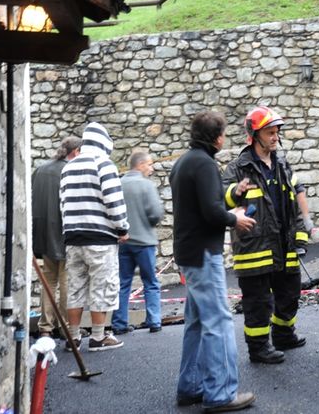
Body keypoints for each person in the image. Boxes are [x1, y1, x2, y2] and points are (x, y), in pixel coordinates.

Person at [170, 110, 256, 412]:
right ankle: (220, 394)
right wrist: (237, 218)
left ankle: (190, 386)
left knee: (196, 323)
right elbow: (211, 212)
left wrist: (232, 195)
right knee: (218, 322)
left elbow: (206, 200)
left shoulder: (183, 162)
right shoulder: (205, 164)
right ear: (217, 137)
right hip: (204, 254)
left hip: (187, 253)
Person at [223, 106, 310, 364]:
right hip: (255, 247)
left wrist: (301, 237)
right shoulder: (238, 168)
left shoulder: (282, 164)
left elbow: (295, 202)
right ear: (254, 134)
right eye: (269, 132)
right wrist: (236, 193)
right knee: (258, 302)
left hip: (284, 245)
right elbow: (222, 201)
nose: (275, 137)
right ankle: (259, 348)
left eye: (276, 132)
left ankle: (284, 334)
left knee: (289, 294)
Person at [60, 122, 128, 352]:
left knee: (76, 287)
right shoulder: (104, 164)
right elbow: (113, 200)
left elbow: (63, 204)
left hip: (72, 236)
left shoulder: (67, 167)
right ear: (104, 143)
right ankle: (99, 337)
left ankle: (74, 337)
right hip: (99, 237)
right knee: (102, 284)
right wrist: (122, 228)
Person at [32, 136, 82, 337]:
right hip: (64, 234)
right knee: (67, 282)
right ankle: (67, 328)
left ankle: (45, 327)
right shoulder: (69, 170)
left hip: (43, 234)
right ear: (76, 152)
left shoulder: (40, 169)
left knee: (49, 281)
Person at [111, 151, 164, 335]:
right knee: (150, 282)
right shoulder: (146, 185)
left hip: (123, 242)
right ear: (140, 165)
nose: (151, 168)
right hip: (144, 242)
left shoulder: (119, 184)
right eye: (149, 164)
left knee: (123, 283)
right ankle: (154, 320)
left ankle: (119, 323)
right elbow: (156, 213)